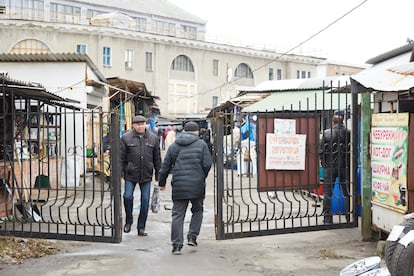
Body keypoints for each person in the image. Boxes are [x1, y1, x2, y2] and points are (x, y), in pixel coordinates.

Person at [158, 121, 212, 255]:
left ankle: (176, 245)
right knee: (197, 210)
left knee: (178, 215)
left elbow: (165, 167)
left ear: (183, 131)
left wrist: (162, 182)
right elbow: (207, 164)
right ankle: (192, 237)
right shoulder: (202, 145)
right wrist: (201, 176)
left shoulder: (174, 146)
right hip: (197, 184)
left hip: (179, 185)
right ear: (197, 132)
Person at [120, 115, 161, 236]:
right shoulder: (126, 138)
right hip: (130, 173)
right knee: (127, 197)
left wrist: (159, 176)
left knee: (145, 201)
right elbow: (121, 157)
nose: (140, 126)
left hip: (146, 174)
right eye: (138, 124)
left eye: (142, 124)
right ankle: (129, 220)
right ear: (133, 125)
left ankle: (141, 227)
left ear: (145, 124)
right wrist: (120, 173)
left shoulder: (153, 138)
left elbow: (157, 159)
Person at [320, 114, 351, 224]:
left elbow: (322, 151)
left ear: (333, 123)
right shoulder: (348, 133)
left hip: (330, 167)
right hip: (345, 167)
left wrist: (324, 163)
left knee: (328, 193)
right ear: (342, 122)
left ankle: (328, 218)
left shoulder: (327, 133)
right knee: (346, 192)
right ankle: (349, 217)